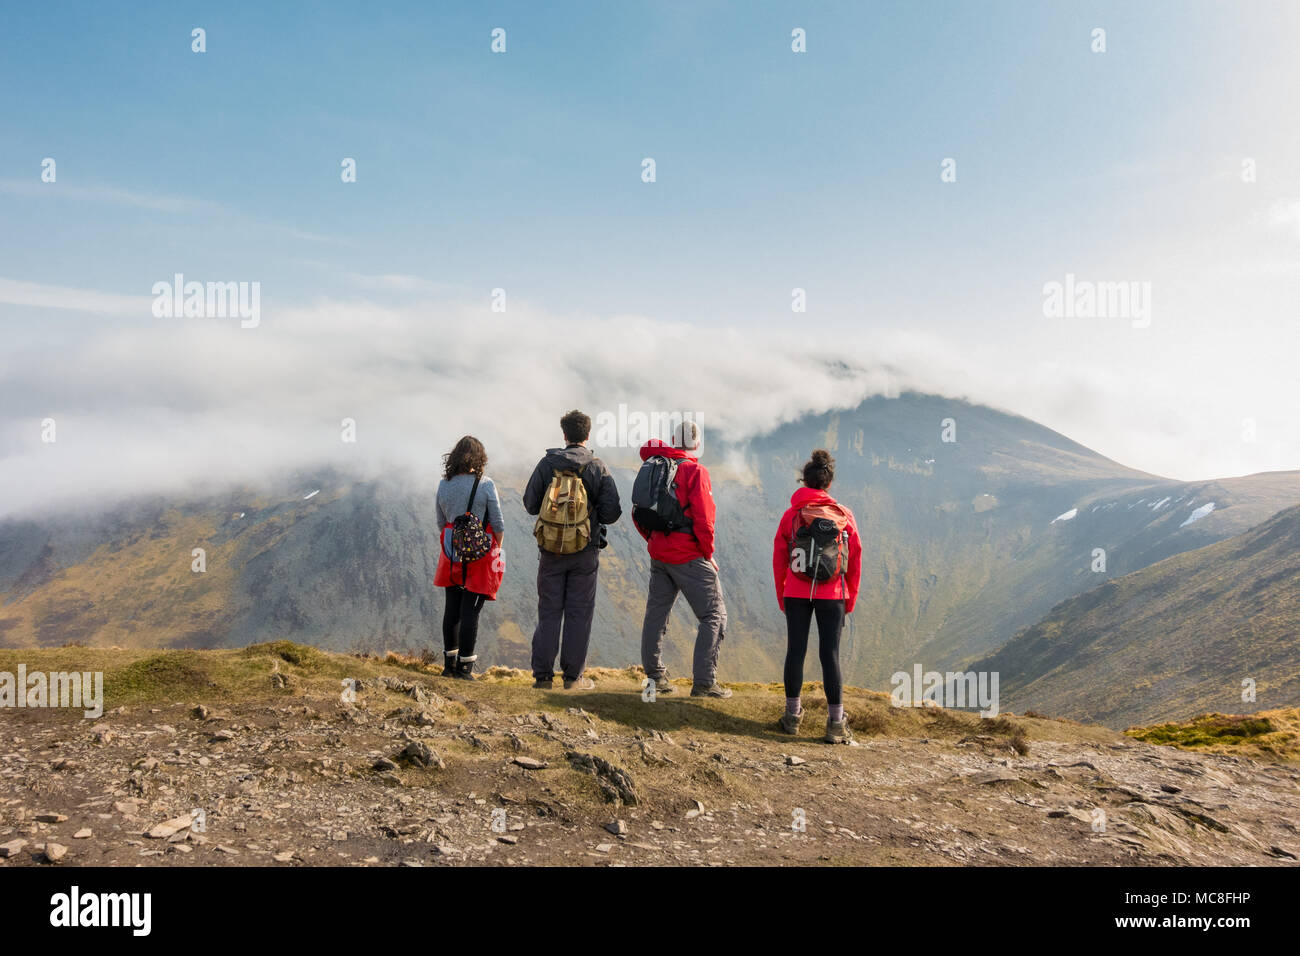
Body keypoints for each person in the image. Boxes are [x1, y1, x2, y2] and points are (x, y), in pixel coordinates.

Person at [523, 409, 622, 690]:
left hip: (551, 550)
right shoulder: (596, 466)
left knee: (549, 611)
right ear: (587, 435)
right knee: (580, 612)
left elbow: (530, 504)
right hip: (585, 551)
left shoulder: (547, 464)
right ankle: (573, 678)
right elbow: (612, 513)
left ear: (564, 435)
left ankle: (542, 677)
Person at [634, 421, 731, 699]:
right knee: (714, 615)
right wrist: (707, 555)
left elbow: (638, 511)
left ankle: (655, 678)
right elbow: (704, 520)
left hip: (659, 553)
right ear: (696, 445)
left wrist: (655, 539)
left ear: (674, 440)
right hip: (687, 554)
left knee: (656, 614)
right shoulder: (695, 471)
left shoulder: (654, 466)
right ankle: (704, 683)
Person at [772, 449, 862, 742]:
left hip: (796, 591)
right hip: (832, 594)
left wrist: (782, 593)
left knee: (795, 651)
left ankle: (791, 717)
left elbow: (779, 557)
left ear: (804, 482)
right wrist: (850, 597)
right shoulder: (844, 515)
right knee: (830, 655)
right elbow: (855, 557)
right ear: (828, 484)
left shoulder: (792, 515)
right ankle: (836, 723)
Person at [433, 435, 505, 681]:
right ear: (480, 458)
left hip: (451, 551)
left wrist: (454, 539)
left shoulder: (444, 485)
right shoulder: (485, 485)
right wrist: (495, 549)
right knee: (471, 612)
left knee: (451, 609)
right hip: (480, 553)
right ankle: (465, 669)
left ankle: (448, 665)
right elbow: (497, 523)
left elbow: (441, 522)